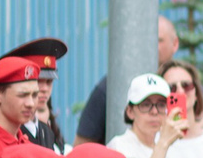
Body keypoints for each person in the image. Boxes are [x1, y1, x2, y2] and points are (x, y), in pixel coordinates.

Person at [72, 16, 181, 146]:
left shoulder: (187, 87)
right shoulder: (110, 87)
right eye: (146, 104)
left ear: (175, 44)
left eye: (158, 40)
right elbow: (82, 147)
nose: (154, 111)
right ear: (129, 111)